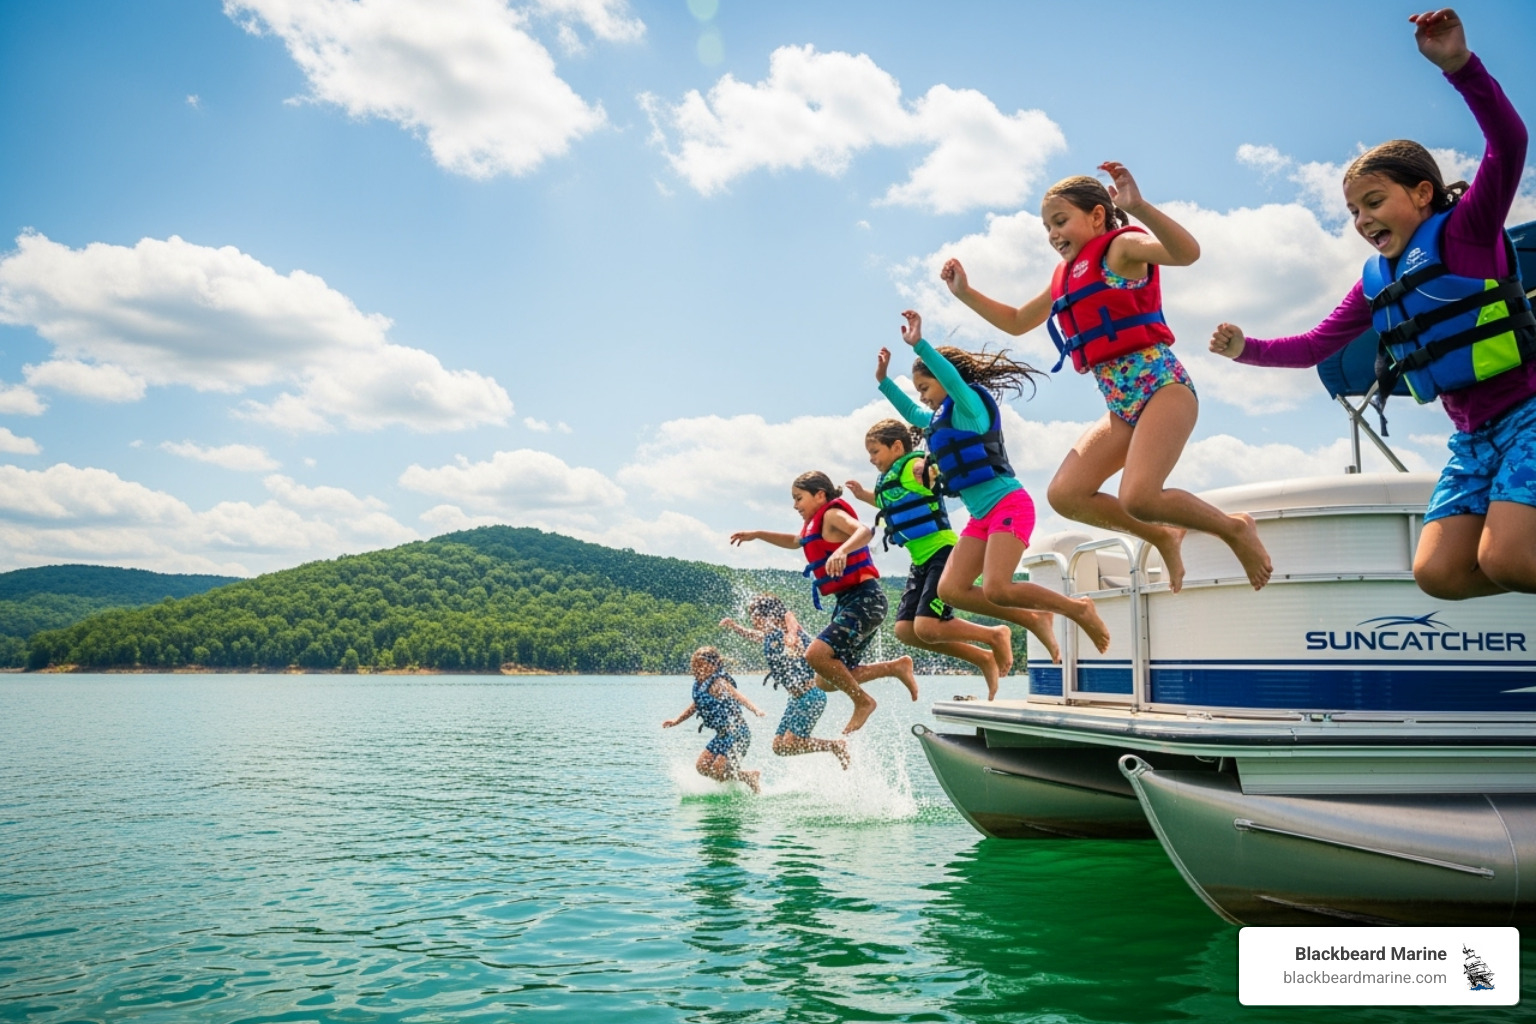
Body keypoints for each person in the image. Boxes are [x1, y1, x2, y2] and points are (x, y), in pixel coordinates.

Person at [1210, 9, 1534, 600]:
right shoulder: (1375, 283)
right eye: (1354, 211)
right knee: (1438, 574)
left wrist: (1460, 68)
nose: (1363, 220)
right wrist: (1245, 349)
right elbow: (1313, 347)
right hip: (1471, 437)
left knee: (1509, 558)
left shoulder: (1467, 232)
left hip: (1528, 414)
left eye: (1375, 202)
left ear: (1422, 193)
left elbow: (1509, 143)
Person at [941, 163, 1273, 593]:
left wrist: (1139, 208)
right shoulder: (1065, 276)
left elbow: (1186, 253)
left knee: (1140, 496)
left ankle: (1233, 529)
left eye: (1060, 221)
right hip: (1120, 403)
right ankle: (1160, 534)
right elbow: (1019, 320)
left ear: (1097, 216)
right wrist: (965, 292)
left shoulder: (1121, 250)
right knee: (1065, 494)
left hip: (1162, 387)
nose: (1052, 234)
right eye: (1046, 227)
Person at [881, 312, 1111, 652]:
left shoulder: (969, 406)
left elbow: (952, 381)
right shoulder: (938, 418)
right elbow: (913, 414)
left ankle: (1078, 609)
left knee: (997, 588)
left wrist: (920, 346)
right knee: (951, 591)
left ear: (946, 379)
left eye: (925, 387)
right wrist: (883, 382)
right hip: (981, 517)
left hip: (1009, 504)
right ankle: (1034, 619)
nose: (922, 397)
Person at [845, 418, 1062, 700]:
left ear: (897, 447)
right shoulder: (892, 479)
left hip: (942, 553)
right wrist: (863, 495)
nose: (871, 459)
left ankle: (999, 633)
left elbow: (928, 473)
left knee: (927, 626)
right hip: (921, 560)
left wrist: (931, 466)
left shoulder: (912, 466)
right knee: (907, 631)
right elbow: (892, 500)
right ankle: (982, 657)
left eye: (875, 452)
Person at [731, 472, 919, 734]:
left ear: (820, 494)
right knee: (825, 680)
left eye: (799, 498)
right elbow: (796, 541)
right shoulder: (813, 526)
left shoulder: (831, 515)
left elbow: (864, 531)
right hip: (849, 602)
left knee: (815, 655)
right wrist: (758, 534)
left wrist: (842, 550)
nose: (795, 505)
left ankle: (863, 701)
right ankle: (895, 667)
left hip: (865, 598)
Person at [720, 594, 851, 768]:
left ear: (770, 616)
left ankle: (836, 745)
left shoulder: (789, 632)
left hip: (811, 696)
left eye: (755, 616)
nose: (752, 620)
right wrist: (735, 627)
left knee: (790, 743)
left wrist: (792, 637)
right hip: (795, 700)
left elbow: (790, 618)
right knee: (779, 747)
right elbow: (754, 635)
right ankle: (833, 746)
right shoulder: (770, 635)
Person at [662, 646, 766, 793]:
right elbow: (695, 706)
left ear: (714, 665)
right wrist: (676, 721)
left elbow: (738, 696)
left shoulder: (719, 683)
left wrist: (755, 709)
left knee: (718, 770)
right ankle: (747, 776)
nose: (698, 669)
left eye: (702, 666)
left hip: (737, 734)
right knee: (702, 767)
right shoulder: (700, 686)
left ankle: (749, 777)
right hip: (722, 735)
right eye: (695, 666)